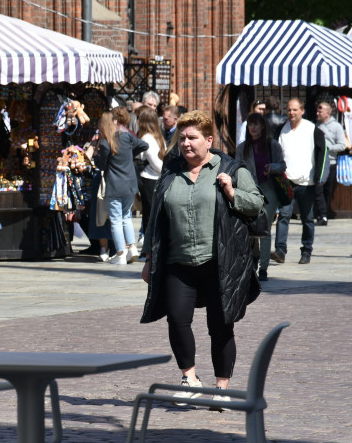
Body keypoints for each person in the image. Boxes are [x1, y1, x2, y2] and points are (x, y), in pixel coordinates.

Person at [140, 109, 261, 397]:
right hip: (177, 262)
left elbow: (257, 205)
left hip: (220, 261)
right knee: (177, 320)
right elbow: (155, 217)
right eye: (181, 138)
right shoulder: (170, 172)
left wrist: (233, 193)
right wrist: (148, 259)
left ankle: (222, 388)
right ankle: (189, 379)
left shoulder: (232, 170)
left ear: (209, 140)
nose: (185, 144)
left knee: (220, 327)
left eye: (192, 138)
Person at [94, 108, 147, 265]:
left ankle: (120, 253)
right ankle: (132, 248)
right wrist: (130, 154)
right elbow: (143, 145)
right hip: (130, 184)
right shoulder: (126, 136)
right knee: (126, 217)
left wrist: (96, 156)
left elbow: (102, 165)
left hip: (115, 185)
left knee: (116, 220)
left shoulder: (105, 142)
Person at [236, 112, 285, 281]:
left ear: (263, 126)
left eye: (256, 124)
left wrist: (272, 167)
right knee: (250, 228)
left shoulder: (272, 145)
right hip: (250, 189)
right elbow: (236, 170)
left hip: (269, 189)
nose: (253, 128)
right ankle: (253, 261)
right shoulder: (242, 148)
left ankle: (263, 268)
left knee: (264, 228)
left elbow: (282, 165)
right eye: (250, 124)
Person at [275, 98, 324, 265]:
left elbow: (322, 152)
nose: (291, 113)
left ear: (302, 111)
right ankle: (280, 251)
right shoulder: (282, 129)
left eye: (295, 110)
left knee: (307, 218)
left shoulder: (312, 129)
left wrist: (319, 177)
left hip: (306, 182)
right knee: (284, 215)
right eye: (289, 110)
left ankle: (306, 250)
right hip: (287, 181)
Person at [136, 107, 165, 252]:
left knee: (149, 215)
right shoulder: (157, 136)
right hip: (154, 178)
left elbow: (155, 162)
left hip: (150, 179)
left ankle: (149, 249)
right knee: (150, 214)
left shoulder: (147, 138)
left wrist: (164, 172)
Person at [314, 100, 345, 227]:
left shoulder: (336, 127)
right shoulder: (316, 125)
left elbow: (342, 145)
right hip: (318, 163)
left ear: (327, 112)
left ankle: (324, 214)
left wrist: (328, 148)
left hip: (331, 162)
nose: (317, 113)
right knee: (318, 189)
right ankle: (321, 214)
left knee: (327, 190)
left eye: (320, 111)